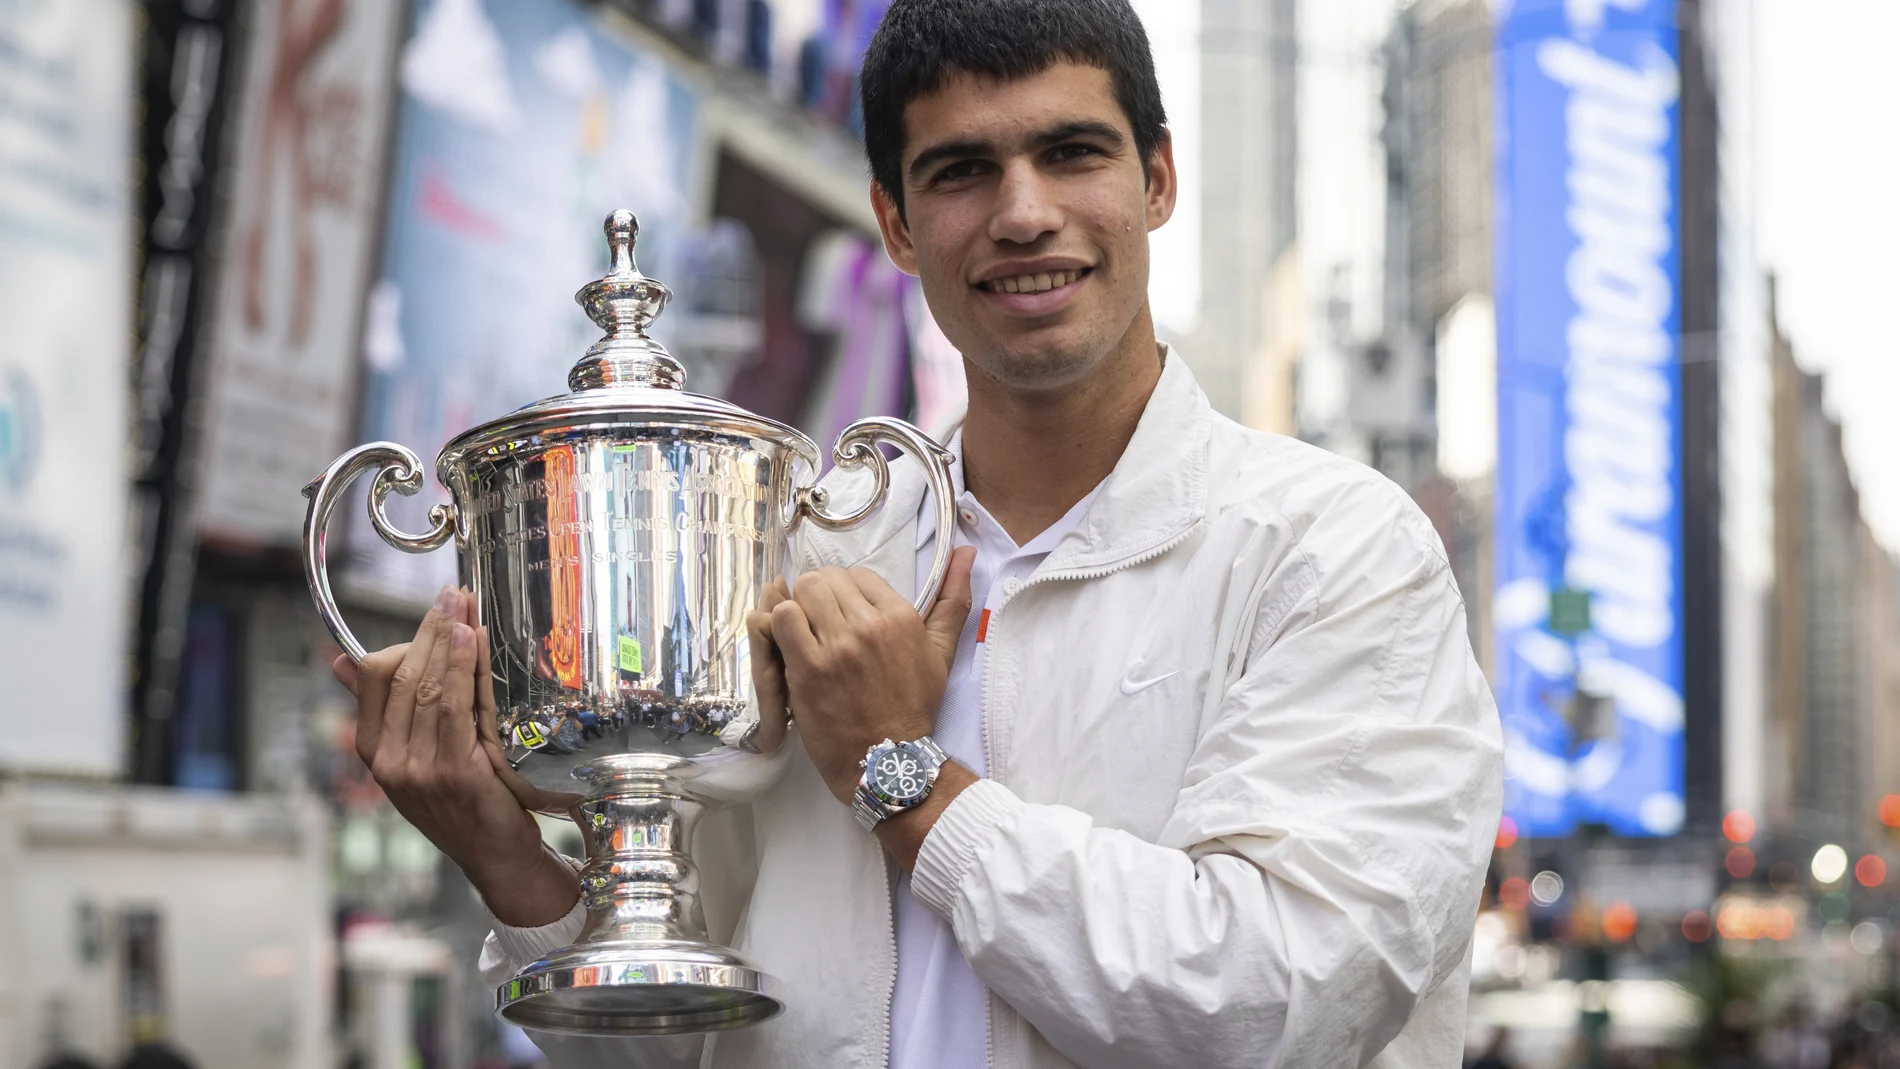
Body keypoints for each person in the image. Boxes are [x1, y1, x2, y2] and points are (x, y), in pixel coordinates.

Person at [331, 0, 1503, 1065]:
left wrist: (905, 779)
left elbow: (1275, 1002)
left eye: (1070, 152)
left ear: (1156, 181)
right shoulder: (795, 569)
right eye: (961, 171)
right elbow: (674, 1047)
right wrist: (505, 861)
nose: (1024, 212)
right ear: (895, 223)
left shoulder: (1331, 550)